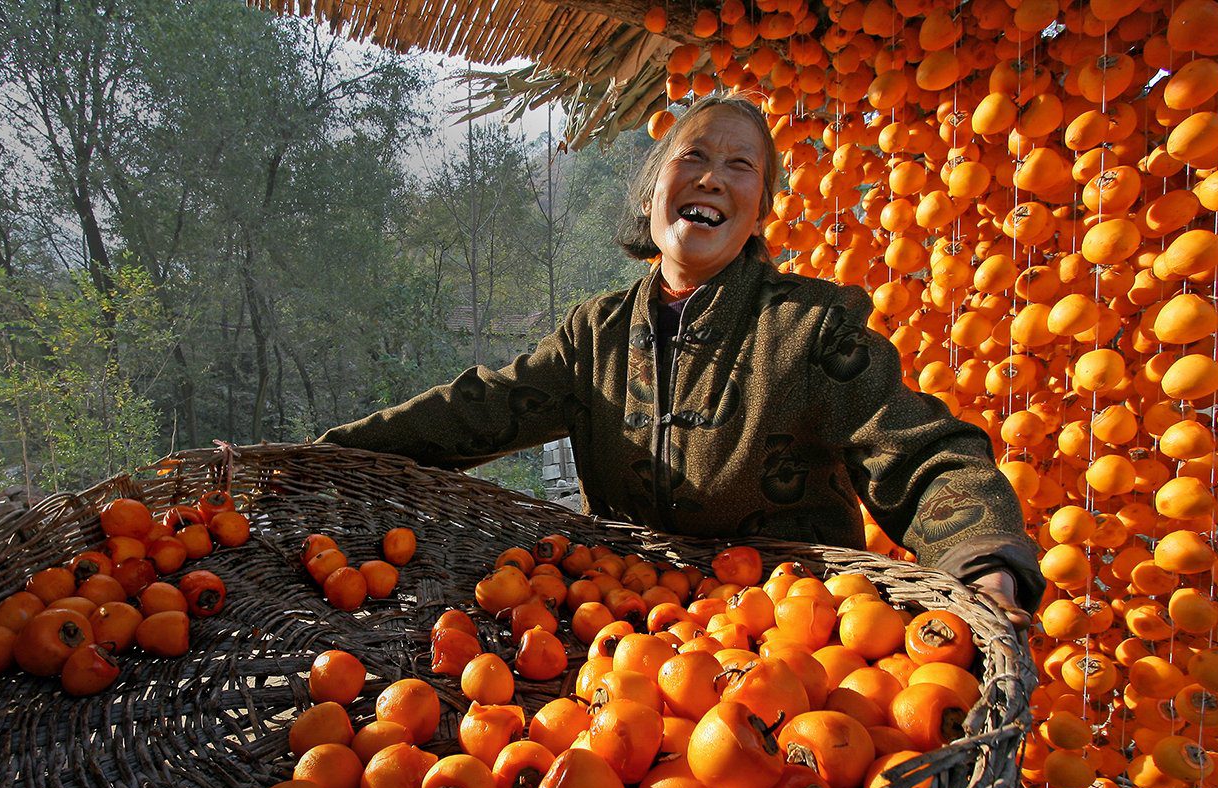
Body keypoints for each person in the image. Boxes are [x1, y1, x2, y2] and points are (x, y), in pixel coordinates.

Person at [318, 95, 1044, 630]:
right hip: (631, 637)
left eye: (739, 166)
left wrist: (982, 563)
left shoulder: (811, 330)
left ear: (759, 212)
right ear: (652, 190)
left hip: (794, 647)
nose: (710, 178)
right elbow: (470, 414)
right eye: (691, 156)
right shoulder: (593, 337)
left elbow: (920, 455)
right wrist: (321, 458)